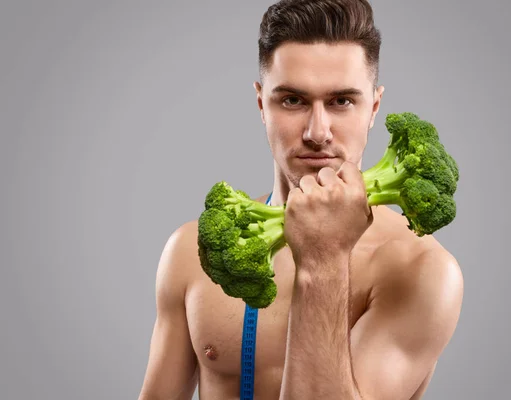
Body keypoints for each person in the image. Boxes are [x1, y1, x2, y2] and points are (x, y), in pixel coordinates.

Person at [137, 0, 463, 399]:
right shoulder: (193, 251)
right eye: (292, 100)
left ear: (374, 107)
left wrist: (324, 257)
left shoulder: (421, 270)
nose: (317, 131)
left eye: (342, 101)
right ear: (262, 104)